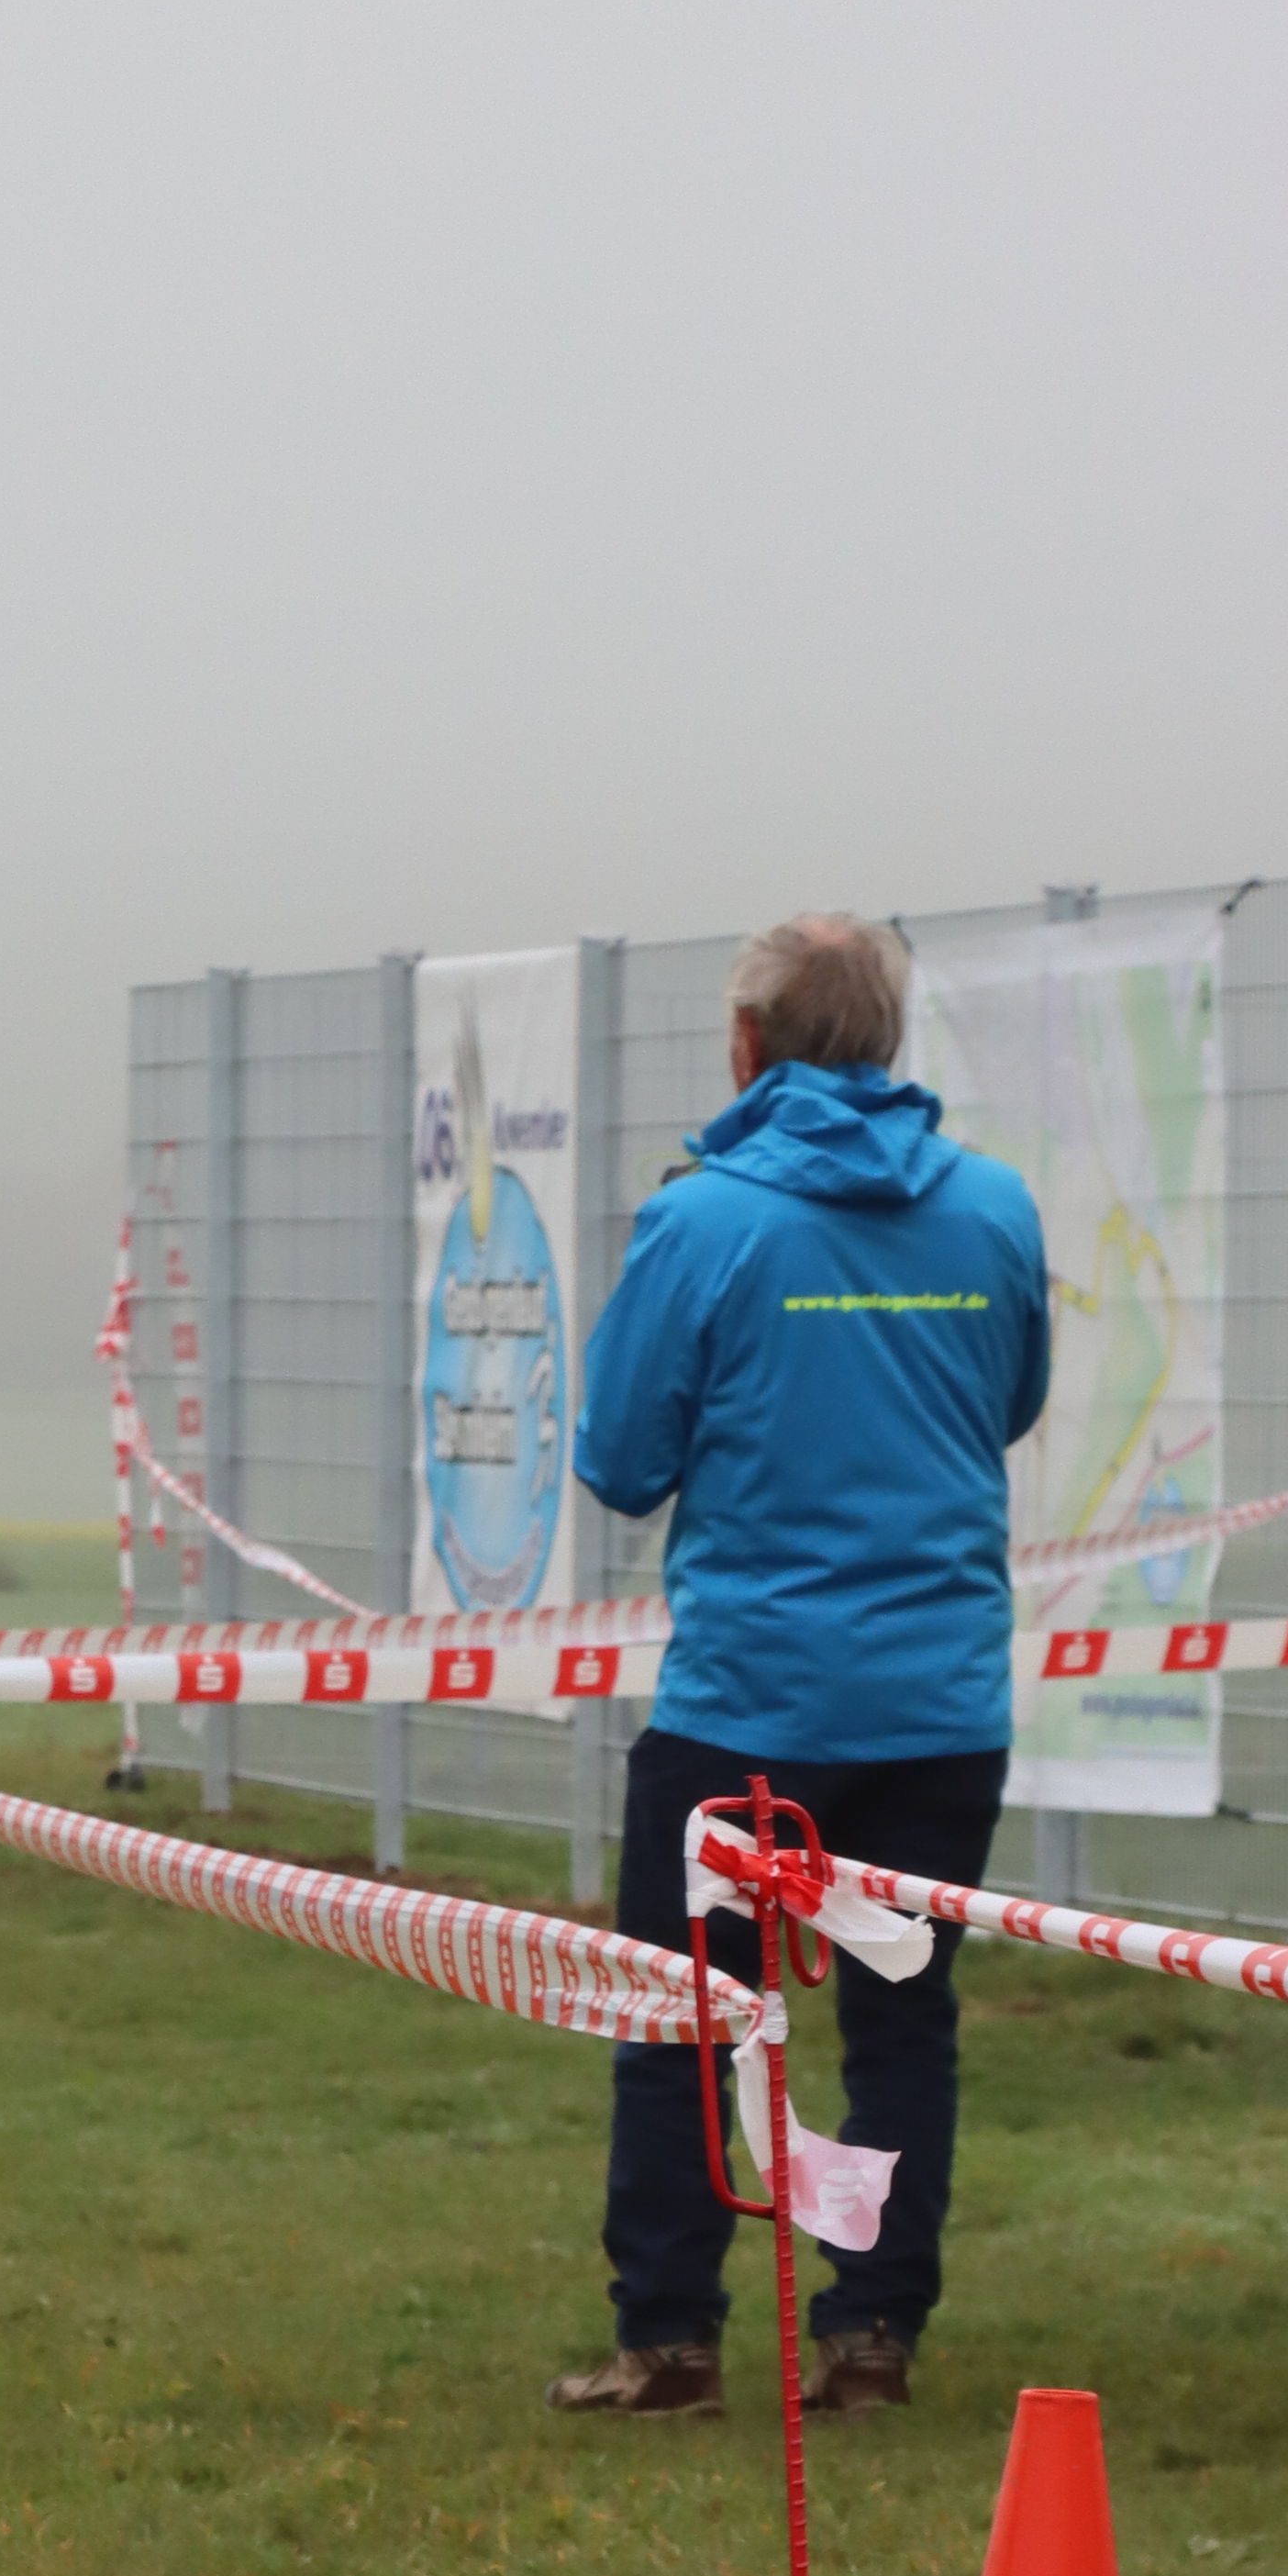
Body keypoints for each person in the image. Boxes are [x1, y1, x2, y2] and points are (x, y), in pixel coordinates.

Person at [552, 913, 1049, 2421]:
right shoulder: (993, 1207)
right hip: (939, 1704)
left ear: (747, 1045)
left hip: (747, 1709)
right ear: (889, 1043)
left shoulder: (702, 1222)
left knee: (683, 2018)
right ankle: (871, 2335)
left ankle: (670, 2341)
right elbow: (1010, 1404)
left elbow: (620, 1462)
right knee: (902, 2025)